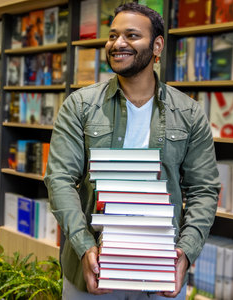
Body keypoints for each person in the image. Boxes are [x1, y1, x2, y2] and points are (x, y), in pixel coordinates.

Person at [44, 2, 220, 299]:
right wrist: (84, 245)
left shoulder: (188, 113)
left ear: (157, 46)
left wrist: (185, 253)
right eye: (113, 36)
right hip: (94, 269)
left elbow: (204, 190)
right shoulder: (80, 105)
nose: (118, 43)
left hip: (161, 268)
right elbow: (59, 179)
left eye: (132, 35)